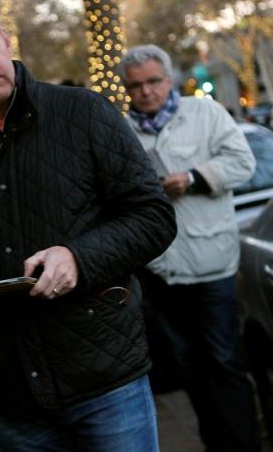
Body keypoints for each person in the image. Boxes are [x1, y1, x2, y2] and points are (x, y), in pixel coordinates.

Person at [0, 0, 177, 452]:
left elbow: (153, 217)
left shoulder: (84, 111)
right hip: (12, 394)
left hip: (105, 379)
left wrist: (78, 257)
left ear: (5, 38)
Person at [120, 44, 261, 452]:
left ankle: (244, 444)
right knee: (190, 370)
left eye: (152, 82)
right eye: (135, 86)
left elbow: (243, 163)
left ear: (168, 80)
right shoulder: (123, 130)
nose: (145, 92)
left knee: (225, 364)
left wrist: (194, 178)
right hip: (163, 268)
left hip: (213, 265)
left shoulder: (205, 113)